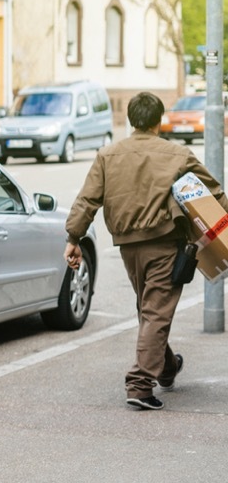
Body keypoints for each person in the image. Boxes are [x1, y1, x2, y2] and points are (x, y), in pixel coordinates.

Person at [65, 91, 228, 410]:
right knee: (155, 310)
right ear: (159, 120)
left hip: (128, 247)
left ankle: (166, 369)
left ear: (130, 119)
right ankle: (139, 385)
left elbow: (87, 200)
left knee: (151, 309)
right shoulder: (177, 155)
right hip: (166, 245)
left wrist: (73, 238)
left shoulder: (107, 155)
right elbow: (214, 194)